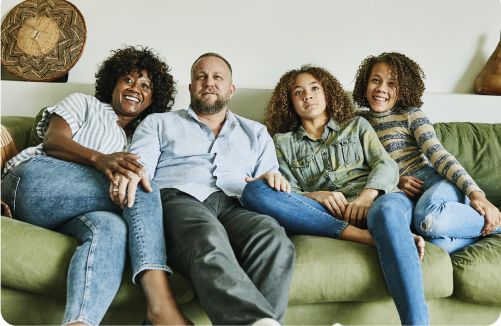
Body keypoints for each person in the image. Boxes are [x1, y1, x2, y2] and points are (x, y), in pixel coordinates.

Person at [1, 46, 191, 326]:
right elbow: (54, 140)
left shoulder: (144, 137)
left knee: (112, 228)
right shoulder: (83, 103)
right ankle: (161, 307)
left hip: (76, 212)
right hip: (33, 182)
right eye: (128, 79)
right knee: (139, 185)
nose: (135, 88)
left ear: (153, 98)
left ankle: (79, 322)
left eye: (145, 85)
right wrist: (100, 160)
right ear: (113, 83)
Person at [112, 53, 295, 326]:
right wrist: (129, 177)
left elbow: (269, 178)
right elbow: (140, 166)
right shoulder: (159, 123)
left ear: (231, 89)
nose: (209, 83)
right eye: (201, 77)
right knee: (207, 235)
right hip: (180, 200)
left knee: (274, 238)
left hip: (238, 204)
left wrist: (273, 179)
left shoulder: (256, 132)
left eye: (217, 77)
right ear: (190, 87)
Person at [241, 65, 429, 325]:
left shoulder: (356, 125)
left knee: (386, 212)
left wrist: (367, 196)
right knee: (255, 190)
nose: (308, 96)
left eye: (314, 88)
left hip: (378, 202)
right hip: (328, 214)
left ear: (327, 93)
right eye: (299, 92)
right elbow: (289, 192)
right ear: (290, 103)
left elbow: (385, 164)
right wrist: (315, 195)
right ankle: (370, 237)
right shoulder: (282, 143)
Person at [352, 52, 501, 253]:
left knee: (427, 218)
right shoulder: (357, 124)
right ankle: (478, 231)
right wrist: (393, 181)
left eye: (392, 84)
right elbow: (356, 170)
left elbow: (439, 156)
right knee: (434, 244)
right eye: (375, 80)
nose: (381, 89)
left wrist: (477, 194)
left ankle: (497, 221)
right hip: (408, 200)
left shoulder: (411, 114)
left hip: (436, 183)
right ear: (365, 84)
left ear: (403, 88)